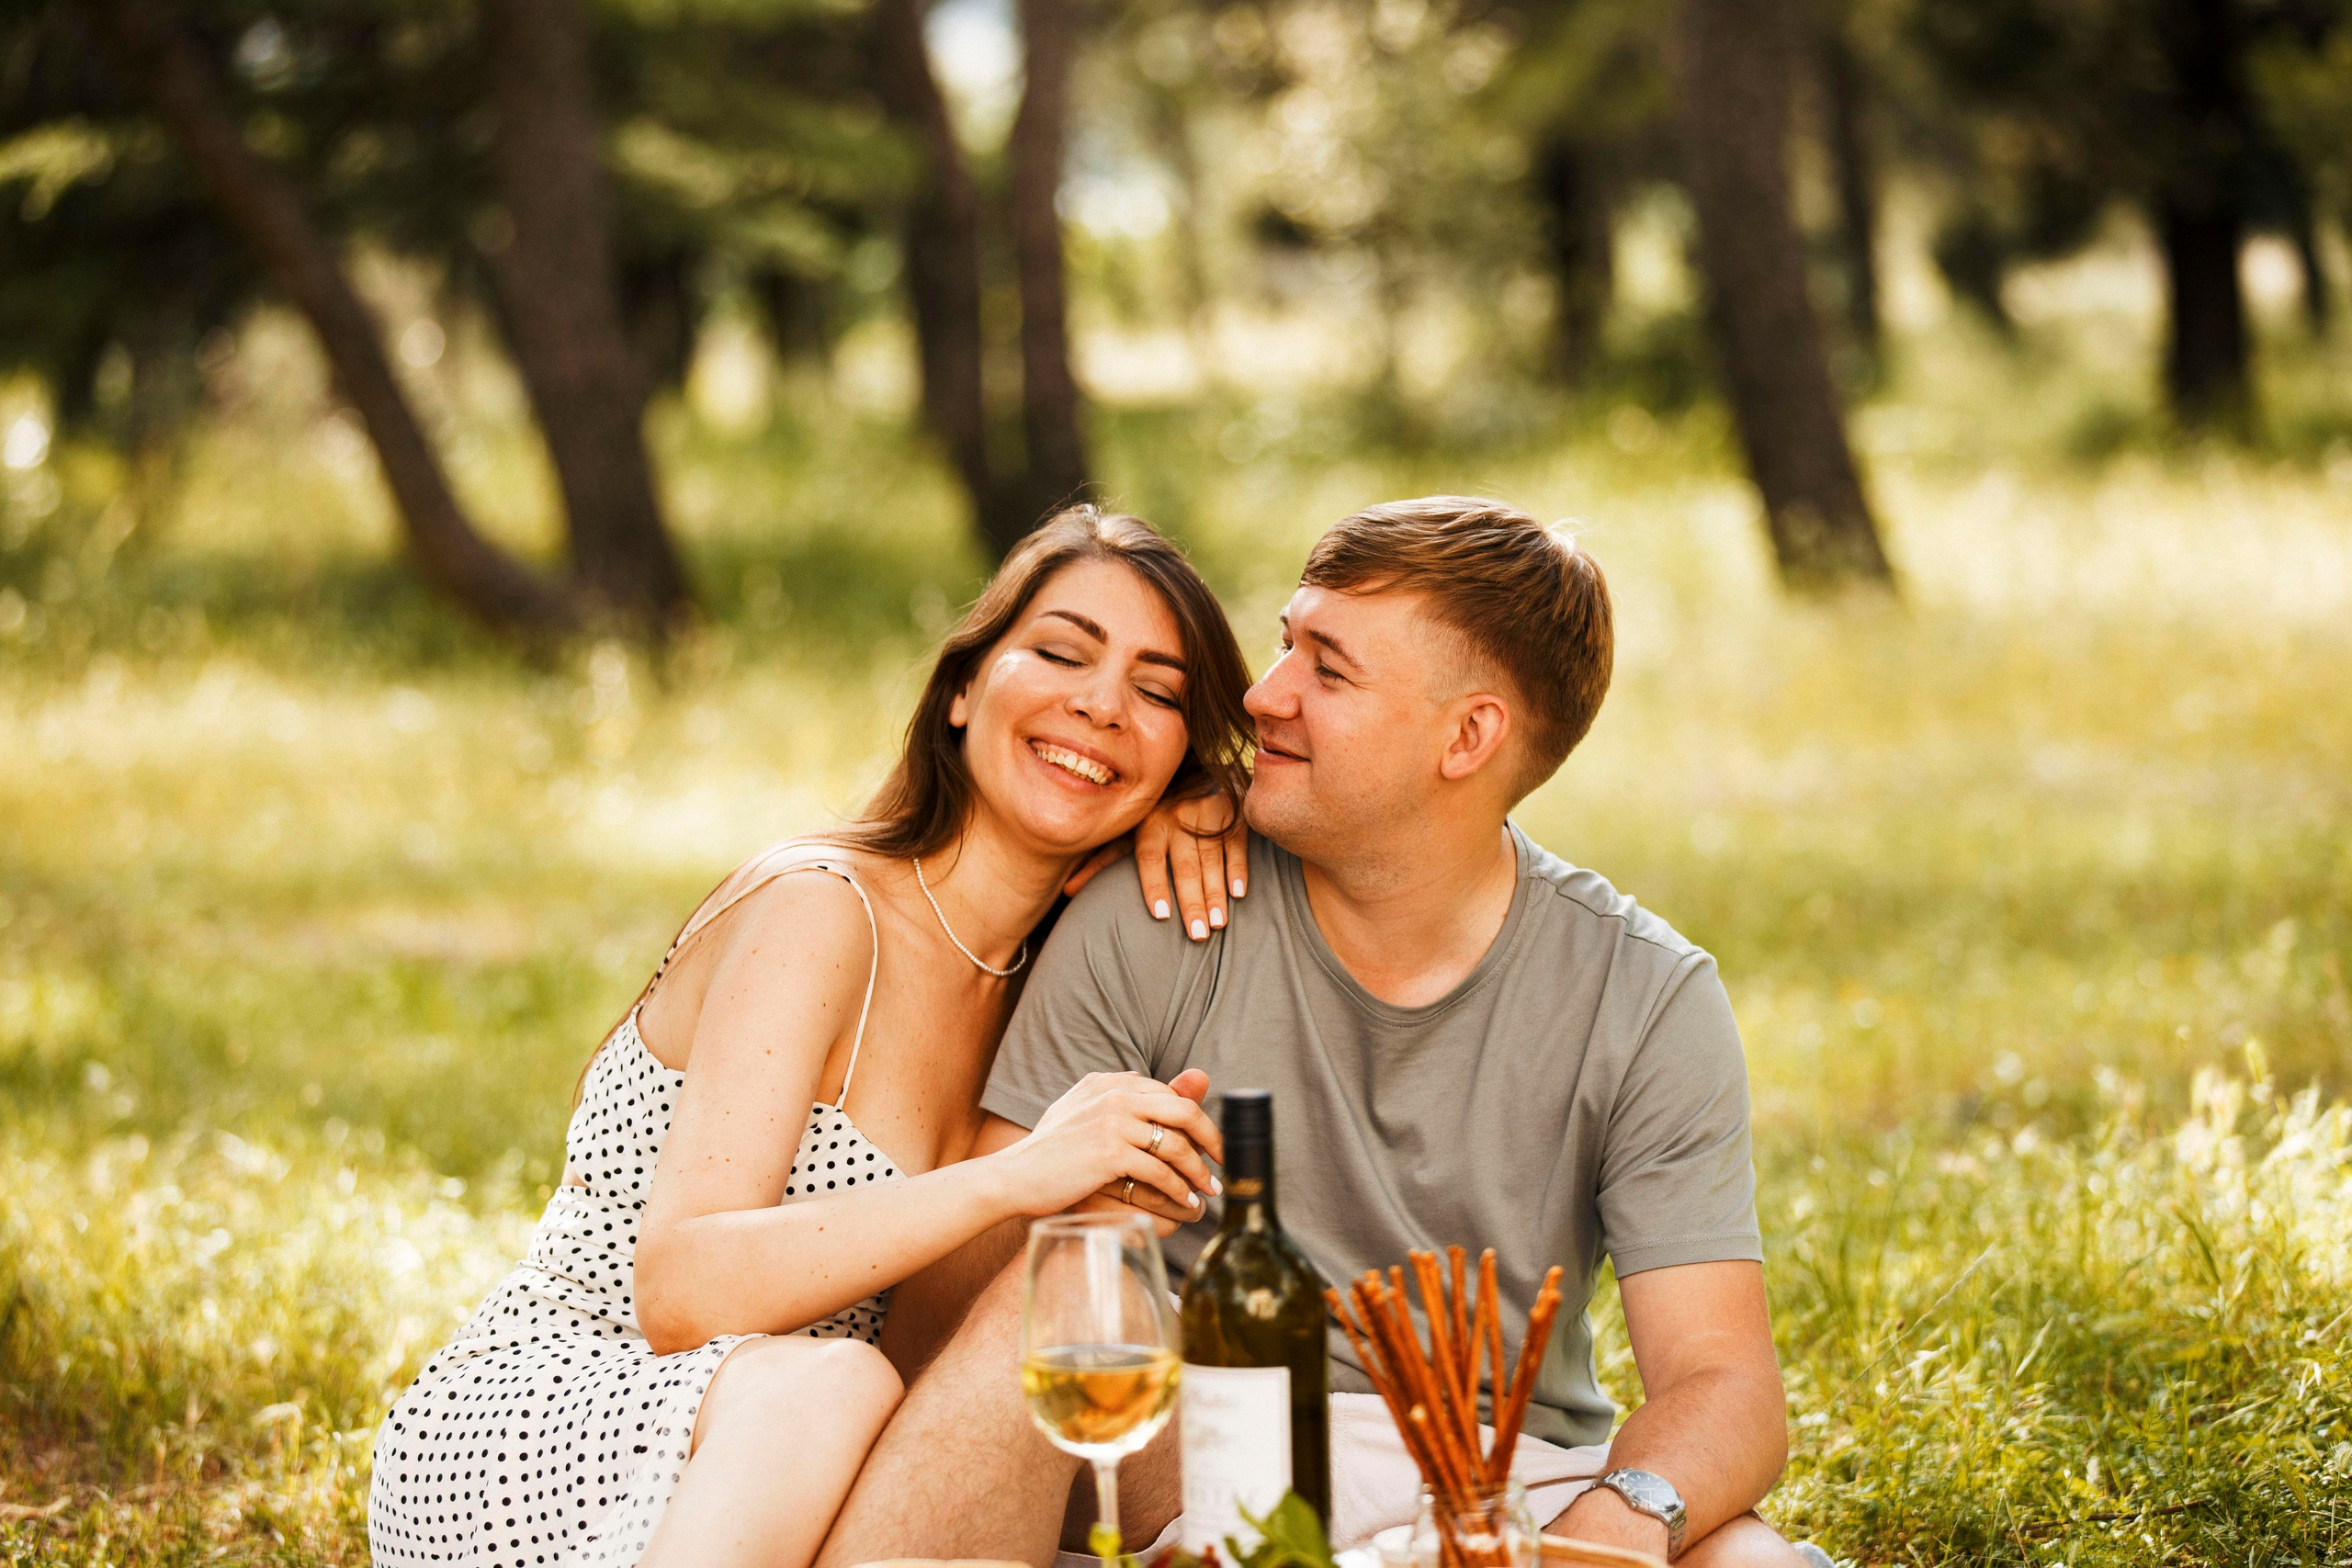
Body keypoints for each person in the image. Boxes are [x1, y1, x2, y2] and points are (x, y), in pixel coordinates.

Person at [814, 497, 1807, 1567]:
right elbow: (940, 1338)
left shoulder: (1642, 996)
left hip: (1495, 1477)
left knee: (1744, 1558)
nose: (1260, 694)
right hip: (1190, 1461)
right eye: (1288, 641)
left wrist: (1610, 1529)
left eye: (1326, 671)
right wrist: (1063, 1200)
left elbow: (1724, 1385)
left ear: (1467, 737)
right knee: (1045, 1305)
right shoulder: (1154, 909)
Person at [367, 507, 1252, 1568]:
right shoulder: (822, 910)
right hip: (563, 1426)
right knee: (834, 1381)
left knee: (1143, 1395)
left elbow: (937, 1353)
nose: (1103, 704)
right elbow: (682, 1293)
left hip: (802, 1467)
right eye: (1061, 652)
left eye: (1157, 694)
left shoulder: (1054, 985)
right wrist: (1025, 1176)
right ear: (963, 690)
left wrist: (1220, 804)